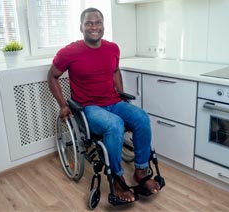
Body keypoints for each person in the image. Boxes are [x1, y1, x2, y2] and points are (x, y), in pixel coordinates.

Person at [47, 7, 160, 203]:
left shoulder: (112, 48)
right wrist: (64, 105)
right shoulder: (69, 52)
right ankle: (117, 179)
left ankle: (141, 171)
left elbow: (115, 71)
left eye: (97, 22)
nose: (94, 27)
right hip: (89, 107)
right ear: (81, 27)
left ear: (103, 25)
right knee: (114, 124)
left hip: (114, 102)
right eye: (89, 23)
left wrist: (120, 94)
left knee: (141, 117)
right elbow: (52, 76)